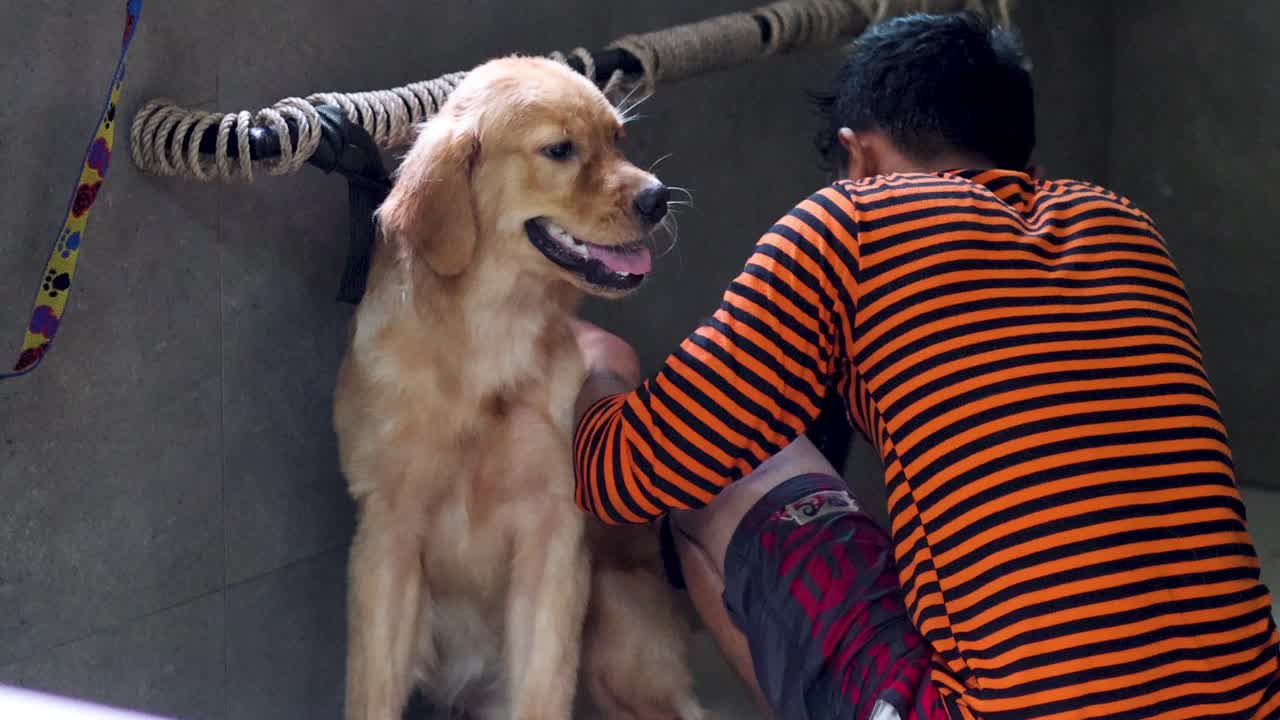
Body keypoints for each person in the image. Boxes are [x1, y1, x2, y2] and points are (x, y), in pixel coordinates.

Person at [569, 11, 1280, 720]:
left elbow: (624, 476)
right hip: (1249, 704)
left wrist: (601, 365)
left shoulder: (852, 223)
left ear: (860, 159)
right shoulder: (1124, 225)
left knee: (723, 476)